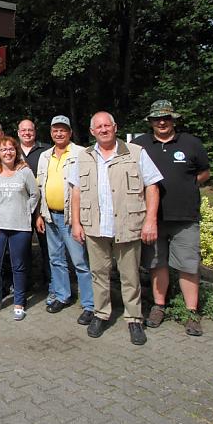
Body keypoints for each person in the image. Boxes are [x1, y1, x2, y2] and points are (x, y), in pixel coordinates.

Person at [70, 112, 162, 346]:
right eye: (98, 127)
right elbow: (76, 191)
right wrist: (76, 223)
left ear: (115, 127)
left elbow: (152, 187)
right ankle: (101, 314)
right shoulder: (84, 156)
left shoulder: (135, 152)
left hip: (127, 225)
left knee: (130, 276)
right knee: (99, 274)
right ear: (92, 132)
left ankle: (134, 319)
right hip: (95, 227)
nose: (103, 130)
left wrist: (150, 220)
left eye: (107, 125)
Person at [132, 100, 211, 336]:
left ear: (173, 120)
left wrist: (186, 186)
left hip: (185, 217)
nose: (162, 122)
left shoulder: (191, 143)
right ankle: (159, 306)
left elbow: (204, 172)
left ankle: (191, 313)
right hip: (152, 218)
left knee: (188, 265)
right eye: (157, 119)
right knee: (157, 263)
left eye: (166, 118)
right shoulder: (140, 145)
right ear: (150, 122)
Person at [36, 115, 94, 323]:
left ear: (70, 132)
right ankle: (62, 295)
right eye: (55, 130)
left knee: (79, 261)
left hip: (71, 217)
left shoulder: (81, 153)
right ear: (51, 133)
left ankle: (89, 304)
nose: (59, 133)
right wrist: (39, 214)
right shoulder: (45, 155)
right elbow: (39, 186)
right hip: (49, 215)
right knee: (56, 259)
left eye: (63, 130)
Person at [0, 136, 39, 321]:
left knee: (19, 266)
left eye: (11, 149)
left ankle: (19, 302)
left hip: (20, 227)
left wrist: (26, 211)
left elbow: (35, 194)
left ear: (16, 151)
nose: (7, 152)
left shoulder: (25, 172)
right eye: (3, 149)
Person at [18, 118, 50, 289]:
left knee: (47, 246)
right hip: (20, 207)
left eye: (30, 130)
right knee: (23, 247)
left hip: (42, 206)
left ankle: (50, 281)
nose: (27, 133)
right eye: (23, 130)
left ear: (35, 132)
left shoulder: (46, 150)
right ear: (18, 133)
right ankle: (25, 282)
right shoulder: (12, 150)